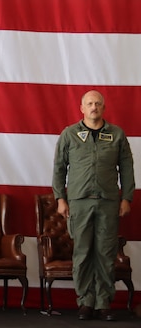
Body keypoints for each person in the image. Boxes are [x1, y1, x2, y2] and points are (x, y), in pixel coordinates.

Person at [52, 90, 134, 322]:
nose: (94, 107)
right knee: (83, 252)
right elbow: (59, 168)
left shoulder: (116, 134)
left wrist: (126, 198)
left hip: (108, 202)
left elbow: (127, 168)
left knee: (106, 254)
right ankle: (86, 302)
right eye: (89, 103)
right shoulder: (70, 134)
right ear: (82, 108)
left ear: (104, 107)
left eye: (98, 103)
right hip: (79, 202)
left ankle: (103, 302)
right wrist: (60, 198)